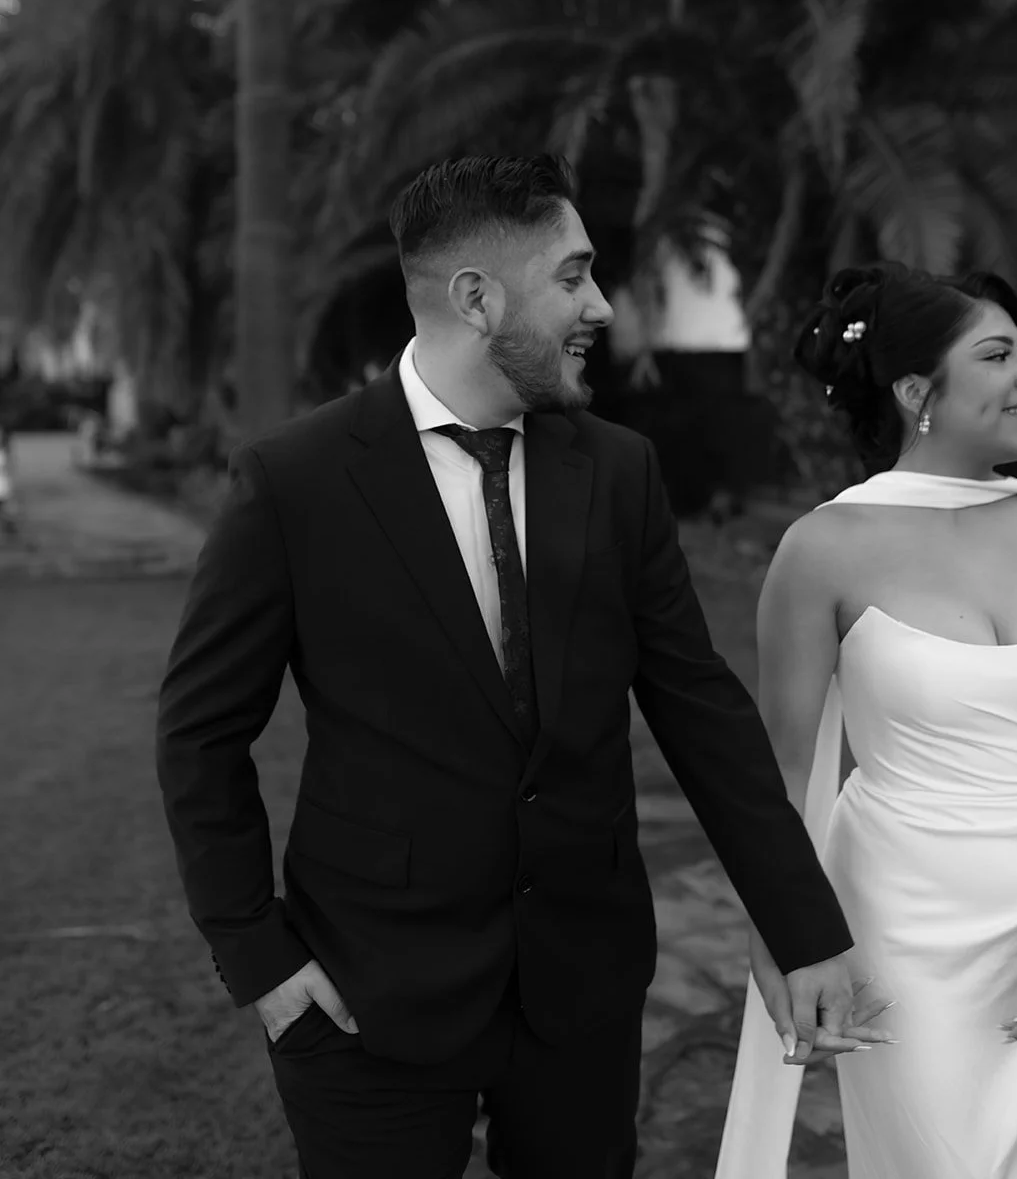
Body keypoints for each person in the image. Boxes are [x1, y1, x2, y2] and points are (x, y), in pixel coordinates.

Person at [156, 155, 867, 1179]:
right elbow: (198, 733)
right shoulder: (294, 482)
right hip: (364, 996)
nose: (602, 305)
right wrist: (260, 961)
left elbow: (698, 708)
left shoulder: (617, 471)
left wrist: (803, 927)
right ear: (477, 298)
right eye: (573, 276)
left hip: (580, 992)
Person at [715, 262, 1017, 1179]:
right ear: (916, 390)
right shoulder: (822, 550)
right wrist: (785, 951)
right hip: (909, 938)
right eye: (997, 355)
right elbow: (782, 777)